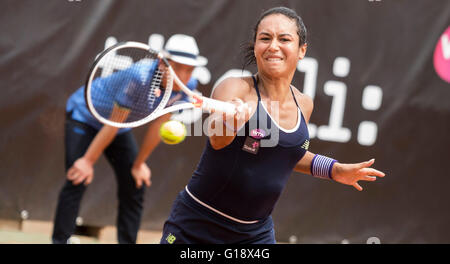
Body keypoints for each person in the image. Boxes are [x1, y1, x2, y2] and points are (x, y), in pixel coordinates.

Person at [159, 7, 386, 244]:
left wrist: (334, 170)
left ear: (301, 51)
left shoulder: (304, 104)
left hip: (255, 235)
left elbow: (286, 153)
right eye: (265, 38)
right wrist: (230, 121)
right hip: (197, 225)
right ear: (255, 47)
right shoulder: (235, 87)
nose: (273, 46)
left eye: (284, 39)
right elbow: (217, 139)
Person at [52, 34, 207, 244]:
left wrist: (139, 163)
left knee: (136, 182)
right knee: (79, 175)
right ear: (162, 63)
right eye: (178, 67)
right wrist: (88, 161)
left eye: (189, 69)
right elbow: (113, 124)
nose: (184, 75)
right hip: (85, 116)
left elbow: (159, 124)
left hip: (118, 127)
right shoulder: (139, 77)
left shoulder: (186, 85)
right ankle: (60, 240)